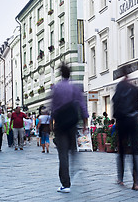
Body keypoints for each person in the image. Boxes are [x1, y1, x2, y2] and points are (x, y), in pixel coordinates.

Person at [51, 64, 88, 193]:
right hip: (72, 123)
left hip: (61, 125)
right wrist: (85, 123)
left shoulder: (56, 88)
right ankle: (76, 166)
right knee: (73, 150)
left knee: (63, 154)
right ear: (70, 74)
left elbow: (53, 108)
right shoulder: (75, 88)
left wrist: (52, 124)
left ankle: (65, 184)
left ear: (61, 74)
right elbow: (82, 106)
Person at [112, 66, 138, 191]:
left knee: (122, 150)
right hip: (133, 120)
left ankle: (121, 178)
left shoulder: (119, 86)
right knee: (135, 151)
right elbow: (137, 106)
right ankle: (136, 182)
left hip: (122, 121)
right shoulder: (135, 88)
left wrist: (115, 118)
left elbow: (115, 101)